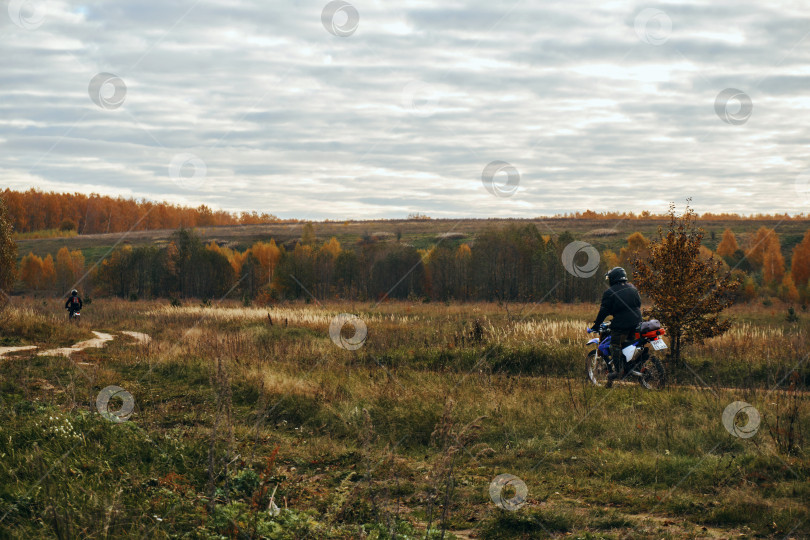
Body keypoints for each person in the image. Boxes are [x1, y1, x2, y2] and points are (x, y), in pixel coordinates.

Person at [590, 267, 642, 387]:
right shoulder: (633, 288)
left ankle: (619, 371)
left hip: (622, 324)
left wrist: (596, 325)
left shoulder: (609, 292)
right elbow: (638, 304)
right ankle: (632, 365)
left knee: (615, 345)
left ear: (613, 278)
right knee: (630, 343)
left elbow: (603, 311)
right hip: (637, 322)